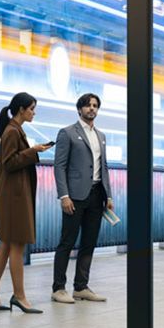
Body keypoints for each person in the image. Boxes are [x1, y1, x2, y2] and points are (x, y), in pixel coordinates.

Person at [0, 92, 52, 314]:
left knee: (7, 244)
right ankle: (19, 296)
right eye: (31, 108)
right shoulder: (12, 131)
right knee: (17, 244)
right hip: (14, 196)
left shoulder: (14, 129)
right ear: (21, 109)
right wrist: (32, 151)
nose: (34, 113)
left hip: (12, 195)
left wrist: (32, 150)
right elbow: (10, 162)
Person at [50, 93, 112, 304]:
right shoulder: (67, 133)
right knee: (67, 242)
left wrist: (108, 195)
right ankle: (58, 288)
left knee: (89, 243)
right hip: (74, 197)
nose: (91, 109)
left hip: (96, 195)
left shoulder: (101, 136)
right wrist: (64, 195)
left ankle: (81, 287)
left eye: (95, 106)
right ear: (79, 109)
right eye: (87, 105)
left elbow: (104, 167)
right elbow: (59, 166)